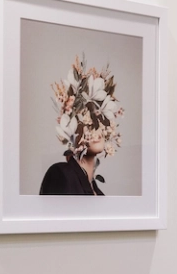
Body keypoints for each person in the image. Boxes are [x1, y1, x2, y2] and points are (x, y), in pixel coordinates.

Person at [39, 57, 121, 196]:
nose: (95, 127)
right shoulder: (61, 174)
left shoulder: (98, 193)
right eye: (87, 120)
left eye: (99, 119)